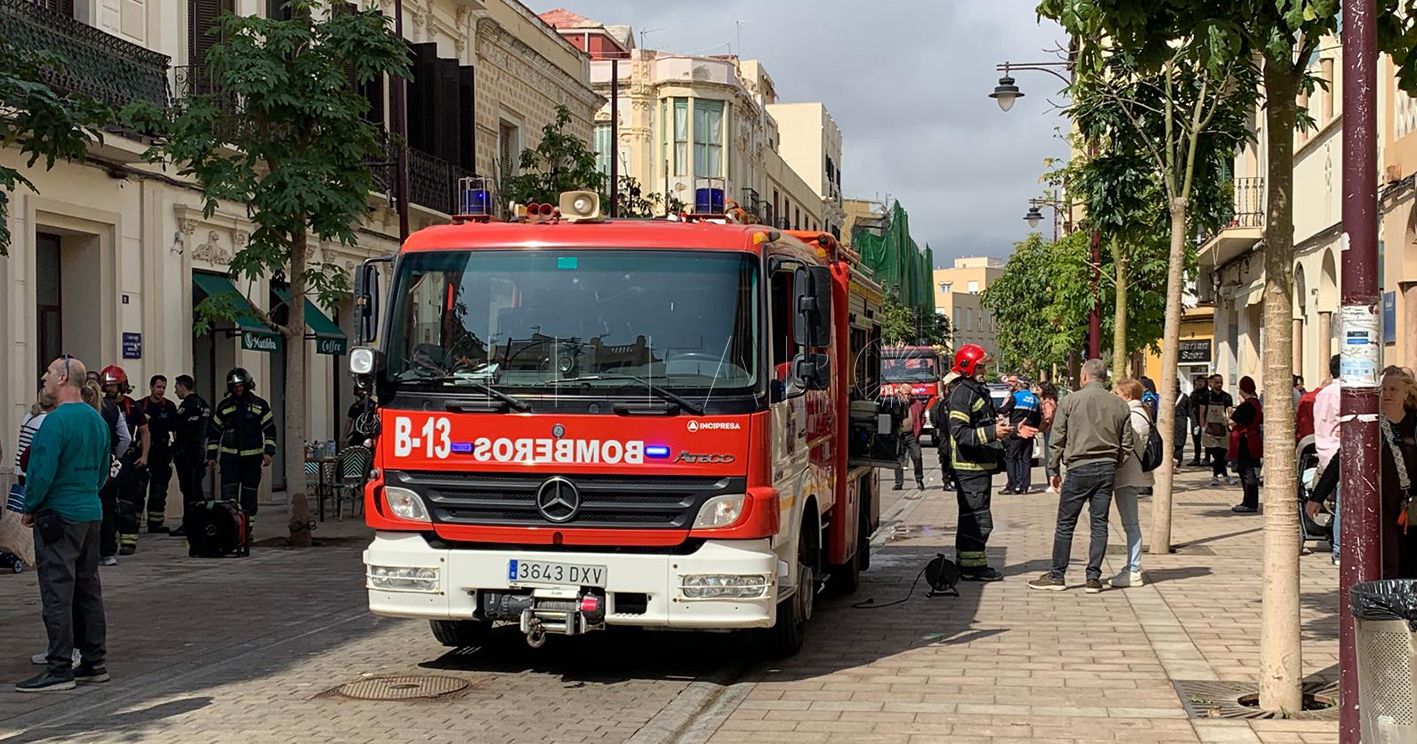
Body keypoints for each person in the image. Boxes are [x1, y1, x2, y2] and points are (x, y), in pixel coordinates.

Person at [15, 356, 111, 692]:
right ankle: (94, 662)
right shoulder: (97, 421)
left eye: (49, 373)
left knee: (57, 593)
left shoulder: (53, 423)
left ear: (64, 378)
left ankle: (59, 668)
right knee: (88, 590)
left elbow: (40, 473)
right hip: (89, 512)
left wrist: (30, 507)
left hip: (58, 516)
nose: (44, 378)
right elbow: (102, 472)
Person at [1030, 359, 1134, 594]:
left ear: (1084, 377)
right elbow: (1127, 443)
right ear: (1105, 377)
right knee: (1100, 523)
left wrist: (1053, 470)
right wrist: (1115, 462)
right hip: (1107, 468)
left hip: (1078, 467)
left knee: (1066, 523)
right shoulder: (1119, 405)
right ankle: (1093, 578)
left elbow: (1056, 439)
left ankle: (1057, 576)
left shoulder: (1070, 401)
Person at [944, 343, 1011, 582]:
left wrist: (1000, 429)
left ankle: (967, 564)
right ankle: (973, 568)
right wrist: (993, 433)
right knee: (978, 520)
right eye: (981, 366)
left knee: (973, 519)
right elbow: (960, 433)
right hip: (969, 466)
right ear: (968, 367)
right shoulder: (964, 393)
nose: (984, 370)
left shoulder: (974, 390)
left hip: (977, 465)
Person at [207, 368, 276, 536]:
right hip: (230, 460)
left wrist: (269, 453)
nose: (238, 389)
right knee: (228, 497)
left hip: (252, 460)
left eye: (240, 385)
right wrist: (211, 456)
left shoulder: (260, 405)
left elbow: (270, 431)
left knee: (249, 497)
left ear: (247, 385)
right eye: (234, 386)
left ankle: (246, 531)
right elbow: (214, 432)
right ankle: (230, 529)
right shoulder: (224, 406)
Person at [100, 365, 148, 556]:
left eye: (114, 385)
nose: (110, 389)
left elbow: (144, 432)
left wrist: (144, 456)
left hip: (128, 459)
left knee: (129, 500)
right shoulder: (102, 406)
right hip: (109, 459)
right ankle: (109, 541)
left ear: (122, 385)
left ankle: (128, 541)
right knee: (108, 503)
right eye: (107, 386)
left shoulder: (133, 406)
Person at [1109, 378, 1152, 588]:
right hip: (1131, 474)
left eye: (1117, 393)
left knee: (1131, 524)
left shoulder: (1134, 416)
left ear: (1127, 395)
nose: (1114, 396)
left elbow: (1126, 445)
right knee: (1130, 524)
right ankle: (1132, 567)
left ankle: (1133, 569)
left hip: (1128, 475)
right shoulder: (1141, 413)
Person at [1376, 366, 1417, 578]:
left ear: (1405, 393)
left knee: (1411, 555)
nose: (1388, 394)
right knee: (1389, 558)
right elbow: (1342, 456)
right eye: (1384, 389)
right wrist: (1316, 497)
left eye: (1393, 389)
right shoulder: (1371, 423)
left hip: (1412, 501)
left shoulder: (1414, 422)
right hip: (1383, 503)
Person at [133, 375, 178, 533]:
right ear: (151, 387)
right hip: (144, 451)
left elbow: (175, 429)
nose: (161, 390)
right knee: (138, 489)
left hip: (162, 452)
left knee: (159, 490)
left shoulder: (170, 407)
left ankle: (156, 522)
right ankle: (134, 522)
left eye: (164, 388)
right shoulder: (140, 406)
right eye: (158, 387)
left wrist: (175, 449)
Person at [170, 375, 211, 538]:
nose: (175, 390)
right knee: (197, 489)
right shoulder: (204, 404)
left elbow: (175, 424)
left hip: (187, 453)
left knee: (189, 490)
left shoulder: (187, 406)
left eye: (176, 387)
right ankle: (201, 520)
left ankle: (190, 523)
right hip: (199, 451)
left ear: (182, 386)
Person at [1311, 355, 1342, 564]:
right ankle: (1339, 549)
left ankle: (1338, 547)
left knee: (1338, 502)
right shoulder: (1345, 393)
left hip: (1323, 451)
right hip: (1338, 454)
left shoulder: (1322, 394)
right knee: (1342, 504)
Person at [999, 378, 1042, 495]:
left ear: (1019, 385)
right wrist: (1035, 429)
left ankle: (1012, 486)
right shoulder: (1035, 399)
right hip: (1029, 432)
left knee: (1010, 458)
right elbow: (1039, 417)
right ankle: (1025, 487)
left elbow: (1004, 410)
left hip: (1016, 431)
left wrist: (994, 408)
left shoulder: (1016, 397)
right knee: (1026, 460)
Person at [1229, 376, 1264, 513]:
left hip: (1245, 441)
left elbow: (1233, 422)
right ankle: (1248, 501)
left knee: (1246, 472)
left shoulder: (1247, 405)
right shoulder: (1256, 403)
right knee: (1250, 471)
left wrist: (1229, 417)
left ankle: (1250, 503)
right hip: (1253, 439)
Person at [1201, 374, 1235, 486]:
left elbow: (1230, 412)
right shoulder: (1206, 396)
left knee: (1222, 454)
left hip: (1223, 428)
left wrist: (1230, 424)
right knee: (1216, 453)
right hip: (1210, 429)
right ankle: (1221, 476)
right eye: (1216, 382)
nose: (1219, 384)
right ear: (1211, 383)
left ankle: (1219, 476)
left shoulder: (1227, 397)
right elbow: (1202, 412)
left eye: (1221, 382)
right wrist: (1202, 426)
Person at [930, 372, 961, 492]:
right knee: (949, 461)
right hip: (950, 439)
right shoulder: (951, 403)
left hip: (945, 439)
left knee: (947, 462)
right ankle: (949, 482)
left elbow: (934, 420)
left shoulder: (940, 403)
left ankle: (948, 482)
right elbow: (935, 418)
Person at [892, 384, 926, 491]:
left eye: (909, 394)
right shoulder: (894, 404)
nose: (907, 397)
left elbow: (922, 418)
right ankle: (898, 483)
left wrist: (918, 430)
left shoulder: (917, 404)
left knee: (917, 456)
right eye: (905, 394)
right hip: (899, 435)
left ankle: (919, 479)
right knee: (899, 459)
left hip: (911, 435)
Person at [1039, 383, 1060, 494]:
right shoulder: (1052, 400)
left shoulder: (1047, 402)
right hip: (1052, 429)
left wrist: (1043, 422)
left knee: (1049, 456)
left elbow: (1049, 415)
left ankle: (1052, 483)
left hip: (1049, 429)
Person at [1190, 375, 1210, 467]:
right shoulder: (1194, 393)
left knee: (1206, 440)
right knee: (1196, 439)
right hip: (1195, 420)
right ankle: (1196, 458)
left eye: (1201, 381)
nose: (1199, 383)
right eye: (1198, 381)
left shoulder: (1207, 394)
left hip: (1206, 419)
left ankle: (1207, 458)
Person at [1173, 381, 1191, 468]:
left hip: (1174, 422)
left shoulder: (1166, 397)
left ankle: (1175, 462)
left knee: (1176, 444)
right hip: (1181, 422)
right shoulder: (1185, 397)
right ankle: (1177, 463)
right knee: (1179, 444)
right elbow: (1190, 412)